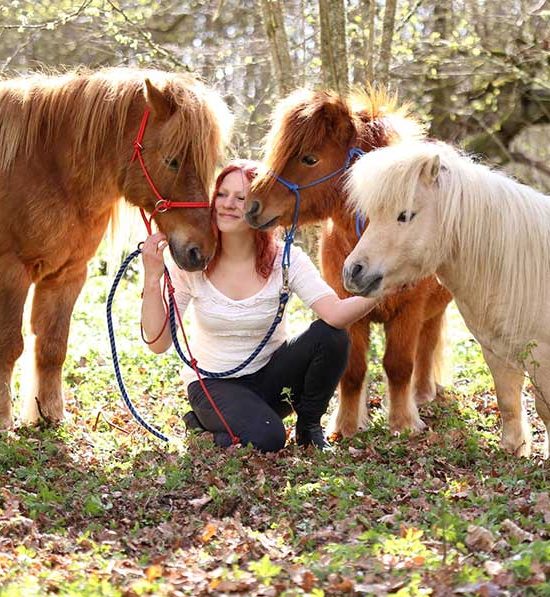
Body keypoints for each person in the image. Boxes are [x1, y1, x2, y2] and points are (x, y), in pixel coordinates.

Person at [140, 159, 378, 451]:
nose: (228, 204)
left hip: (271, 380)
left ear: (257, 206)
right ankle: (203, 430)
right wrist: (152, 278)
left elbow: (337, 314)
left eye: (241, 198)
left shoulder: (286, 259)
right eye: (222, 194)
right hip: (214, 387)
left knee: (332, 335)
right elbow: (158, 342)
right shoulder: (195, 263)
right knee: (269, 438)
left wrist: (382, 288)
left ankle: (308, 430)